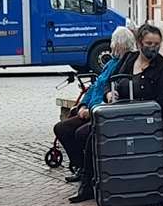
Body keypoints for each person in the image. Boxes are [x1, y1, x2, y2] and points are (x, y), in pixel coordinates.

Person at [73, 23, 163, 204]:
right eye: (149, 44)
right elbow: (109, 82)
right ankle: (93, 180)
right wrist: (109, 93)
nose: (153, 48)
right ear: (139, 42)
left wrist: (140, 110)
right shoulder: (129, 59)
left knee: (91, 136)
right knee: (86, 133)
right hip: (119, 115)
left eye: (156, 44)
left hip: (145, 121)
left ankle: (89, 184)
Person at [52, 27, 137, 180]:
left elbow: (110, 92)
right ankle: (80, 166)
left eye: (114, 43)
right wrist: (83, 105)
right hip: (91, 110)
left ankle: (88, 173)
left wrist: (90, 109)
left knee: (81, 134)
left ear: (122, 45)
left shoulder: (125, 65)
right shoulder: (112, 62)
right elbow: (95, 87)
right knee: (61, 128)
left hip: (102, 112)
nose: (112, 46)